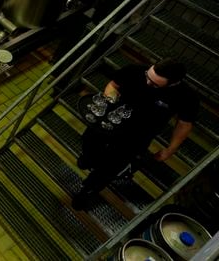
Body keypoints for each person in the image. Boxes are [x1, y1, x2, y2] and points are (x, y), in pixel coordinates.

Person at [72, 59, 198, 210]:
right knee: (89, 139)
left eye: (154, 84)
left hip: (137, 137)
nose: (147, 83)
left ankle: (87, 190)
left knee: (110, 167)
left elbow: (184, 124)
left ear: (173, 83)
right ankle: (89, 157)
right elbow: (113, 85)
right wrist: (111, 101)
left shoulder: (187, 96)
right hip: (112, 121)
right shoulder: (134, 69)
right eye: (147, 76)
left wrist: (170, 149)